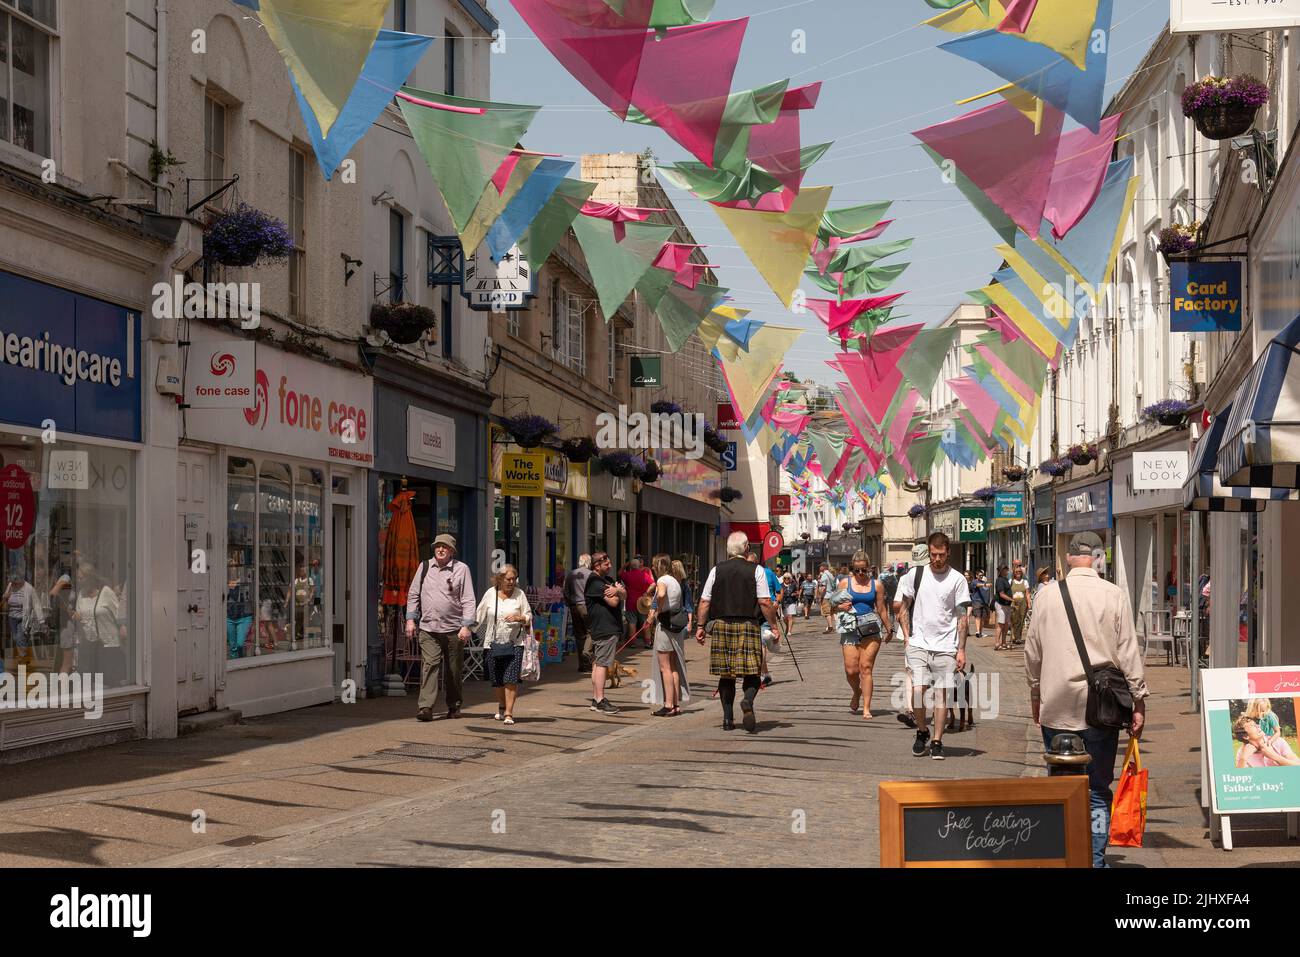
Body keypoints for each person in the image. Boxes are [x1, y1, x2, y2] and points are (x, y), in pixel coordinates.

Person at [1025, 531, 1149, 869]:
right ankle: (1093, 859)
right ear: (1097, 557)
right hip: (1101, 709)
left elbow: (1032, 652)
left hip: (1057, 706)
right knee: (1095, 787)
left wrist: (1035, 695)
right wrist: (1138, 700)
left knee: (1060, 788)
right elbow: (1128, 652)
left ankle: (1064, 854)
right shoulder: (1113, 594)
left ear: (1067, 558)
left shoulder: (1046, 596)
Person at [893, 533, 970, 761]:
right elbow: (903, 607)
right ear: (929, 551)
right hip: (918, 643)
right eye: (934, 554)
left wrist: (962, 648)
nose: (937, 559)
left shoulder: (957, 579)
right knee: (917, 692)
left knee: (941, 695)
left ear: (948, 552)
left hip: (946, 645)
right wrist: (907, 637)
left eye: (942, 554)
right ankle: (922, 730)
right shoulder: (915, 575)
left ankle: (937, 740)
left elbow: (962, 616)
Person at [696, 533, 778, 732]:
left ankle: (727, 719)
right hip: (748, 624)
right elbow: (765, 602)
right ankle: (747, 701)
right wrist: (773, 625)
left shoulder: (716, 570)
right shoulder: (756, 570)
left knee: (726, 674)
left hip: (722, 625)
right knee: (752, 671)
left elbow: (705, 601)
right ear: (747, 547)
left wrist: (700, 626)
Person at [405, 534, 477, 722]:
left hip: (454, 630)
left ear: (452, 551)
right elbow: (413, 595)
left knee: (453, 670)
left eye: (445, 547)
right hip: (429, 628)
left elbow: (469, 599)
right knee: (430, 665)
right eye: (438, 546)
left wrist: (466, 626)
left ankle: (454, 706)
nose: (441, 549)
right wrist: (411, 620)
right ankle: (426, 707)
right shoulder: (425, 567)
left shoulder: (462, 569)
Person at [830, 551, 891, 718]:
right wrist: (839, 608)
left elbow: (882, 609)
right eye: (857, 570)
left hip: (871, 628)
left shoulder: (877, 585)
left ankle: (866, 708)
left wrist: (889, 629)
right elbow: (832, 605)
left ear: (869, 569)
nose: (861, 574)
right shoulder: (844, 583)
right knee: (851, 670)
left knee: (866, 668)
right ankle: (856, 692)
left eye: (864, 570)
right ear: (852, 569)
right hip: (849, 628)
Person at [475, 565, 533, 725]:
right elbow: (478, 616)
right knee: (497, 680)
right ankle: (502, 705)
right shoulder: (490, 594)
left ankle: (509, 712)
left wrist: (519, 618)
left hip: (515, 643)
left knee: (511, 678)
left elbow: (529, 616)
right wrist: (465, 629)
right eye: (508, 579)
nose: (512, 582)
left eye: (514, 579)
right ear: (500, 579)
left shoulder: (519, 595)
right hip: (492, 644)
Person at [646, 553, 691, 717]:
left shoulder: (662, 581)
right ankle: (676, 704)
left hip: (665, 627)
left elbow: (662, 594)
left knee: (664, 667)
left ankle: (668, 705)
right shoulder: (675, 581)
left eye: (653, 564)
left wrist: (655, 613)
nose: (651, 568)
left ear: (659, 566)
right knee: (673, 666)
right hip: (676, 626)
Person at [584, 552, 627, 714]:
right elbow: (615, 601)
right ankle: (601, 699)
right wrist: (618, 591)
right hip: (604, 628)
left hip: (606, 628)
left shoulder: (607, 581)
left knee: (598, 663)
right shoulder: (595, 581)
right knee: (602, 664)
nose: (610, 566)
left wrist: (617, 590)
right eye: (606, 564)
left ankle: (596, 700)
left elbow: (624, 595)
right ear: (597, 566)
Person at [73, 564, 125, 685]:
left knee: (110, 682)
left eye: (81, 578)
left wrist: (123, 627)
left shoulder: (106, 592)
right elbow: (80, 616)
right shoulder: (81, 594)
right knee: (93, 683)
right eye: (78, 578)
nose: (79, 581)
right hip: (91, 646)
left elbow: (119, 613)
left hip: (110, 644)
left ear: (90, 578)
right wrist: (77, 617)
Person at [3, 570, 41, 671]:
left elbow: (36, 603)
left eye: (16, 582)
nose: (14, 584)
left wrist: (40, 619)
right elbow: (5, 597)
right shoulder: (11, 585)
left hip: (23, 617)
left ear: (21, 580)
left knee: (20, 638)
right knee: (17, 638)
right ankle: (25, 657)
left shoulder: (28, 588)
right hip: (12, 617)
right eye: (13, 582)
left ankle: (22, 660)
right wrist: (6, 597)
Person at [564, 554, 594, 672]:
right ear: (589, 562)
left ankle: (583, 665)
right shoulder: (591, 574)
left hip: (574, 606)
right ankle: (587, 653)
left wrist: (569, 603)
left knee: (579, 635)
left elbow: (565, 591)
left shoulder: (571, 574)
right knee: (592, 631)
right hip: (586, 606)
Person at [1233, 715, 1300, 767]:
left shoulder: (1278, 742)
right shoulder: (1242, 753)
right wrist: (1243, 759)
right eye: (1252, 726)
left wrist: (1274, 756)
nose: (1258, 726)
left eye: (1256, 724)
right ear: (1245, 736)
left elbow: (1297, 765)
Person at [619, 557, 655, 649]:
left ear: (631, 566)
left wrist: (625, 565)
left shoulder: (627, 575)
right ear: (639, 566)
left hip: (631, 602)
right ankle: (647, 642)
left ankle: (632, 642)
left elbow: (619, 573)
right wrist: (646, 592)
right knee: (645, 622)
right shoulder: (644, 575)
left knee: (632, 622)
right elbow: (653, 583)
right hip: (643, 603)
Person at [1008, 565, 1031, 645]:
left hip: (1023, 603)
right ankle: (1014, 636)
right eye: (1016, 572)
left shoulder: (1025, 582)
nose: (1018, 573)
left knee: (1021, 620)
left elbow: (1027, 594)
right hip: (1013, 603)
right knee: (1014, 620)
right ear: (1014, 573)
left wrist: (1029, 604)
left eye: (1020, 572)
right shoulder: (1011, 581)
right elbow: (1008, 593)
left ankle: (1018, 637)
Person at [993, 564, 1013, 650]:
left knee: (1006, 625)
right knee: (1000, 624)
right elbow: (1001, 594)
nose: (1007, 571)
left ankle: (1003, 642)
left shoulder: (1006, 579)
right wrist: (1012, 600)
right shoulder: (1000, 580)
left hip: (1007, 605)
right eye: (1005, 569)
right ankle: (997, 643)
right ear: (1001, 571)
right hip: (1001, 605)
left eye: (1007, 569)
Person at [817, 563, 837, 633]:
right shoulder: (831, 574)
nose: (819, 568)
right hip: (832, 595)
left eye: (820, 566)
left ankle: (830, 627)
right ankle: (832, 626)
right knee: (831, 612)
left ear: (823, 567)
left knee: (827, 612)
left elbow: (823, 587)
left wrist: (820, 596)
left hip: (826, 595)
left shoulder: (824, 575)